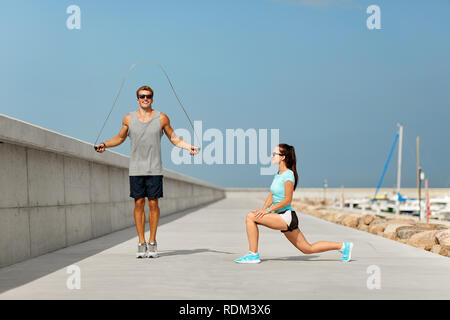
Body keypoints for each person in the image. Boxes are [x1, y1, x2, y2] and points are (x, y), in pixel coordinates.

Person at [95, 85, 199, 258]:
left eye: (148, 96)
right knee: (138, 204)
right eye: (142, 96)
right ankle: (141, 242)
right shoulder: (129, 118)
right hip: (136, 169)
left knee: (153, 204)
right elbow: (120, 137)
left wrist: (189, 147)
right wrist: (104, 145)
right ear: (137, 99)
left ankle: (152, 242)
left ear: (152, 98)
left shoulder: (162, 118)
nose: (145, 99)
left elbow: (174, 138)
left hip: (154, 168)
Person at [235, 143, 353, 264]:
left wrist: (268, 211)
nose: (272, 156)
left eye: (274, 154)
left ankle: (253, 254)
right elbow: (272, 195)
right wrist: (263, 209)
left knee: (250, 217)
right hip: (281, 216)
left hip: (286, 216)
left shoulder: (288, 175)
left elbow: (287, 200)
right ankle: (343, 246)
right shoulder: (278, 174)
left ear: (283, 157)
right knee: (308, 249)